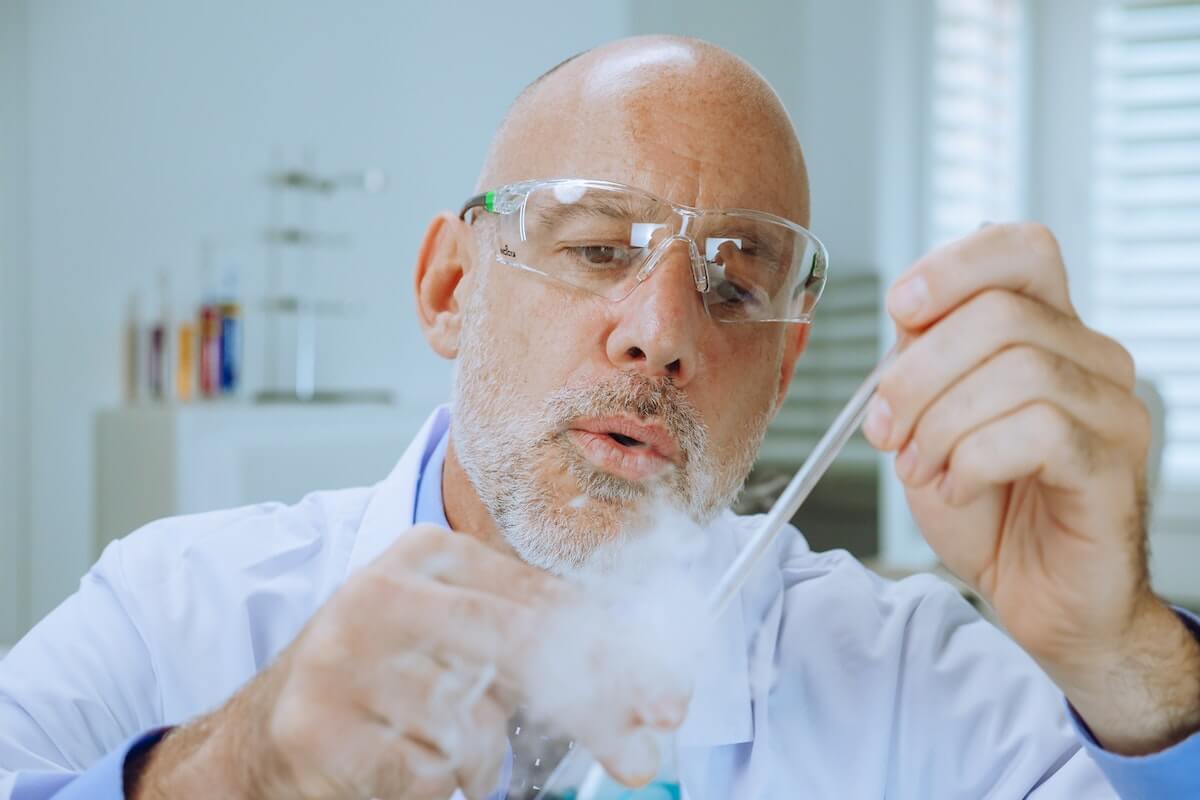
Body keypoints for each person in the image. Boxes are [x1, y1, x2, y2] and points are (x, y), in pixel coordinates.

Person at [2, 35, 1198, 800]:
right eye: (594, 247)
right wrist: (230, 767)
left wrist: (1121, 658)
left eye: (736, 284)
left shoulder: (907, 681)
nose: (663, 331)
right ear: (450, 287)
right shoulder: (175, 609)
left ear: (784, 373)